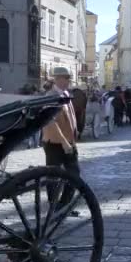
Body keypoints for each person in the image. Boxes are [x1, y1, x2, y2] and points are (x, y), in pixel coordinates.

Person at [42, 67, 80, 206]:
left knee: (74, 174)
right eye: (66, 78)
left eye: (68, 78)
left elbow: (70, 116)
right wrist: (64, 142)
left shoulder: (66, 94)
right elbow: (50, 121)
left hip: (69, 142)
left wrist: (74, 134)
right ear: (57, 79)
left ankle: (64, 205)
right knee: (53, 176)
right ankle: (54, 205)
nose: (68, 81)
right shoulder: (51, 96)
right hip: (55, 143)